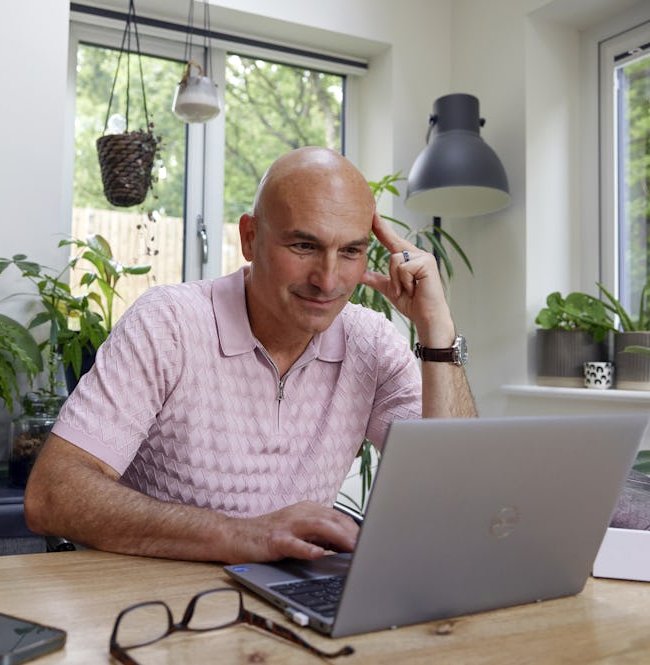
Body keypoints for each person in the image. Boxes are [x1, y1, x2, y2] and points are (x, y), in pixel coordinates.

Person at [24, 146, 476, 564]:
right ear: (249, 236)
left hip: (288, 604)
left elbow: (455, 493)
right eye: (304, 246)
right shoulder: (169, 324)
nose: (327, 279)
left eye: (351, 251)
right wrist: (243, 535)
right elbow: (53, 495)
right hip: (154, 609)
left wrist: (437, 334)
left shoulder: (371, 341)